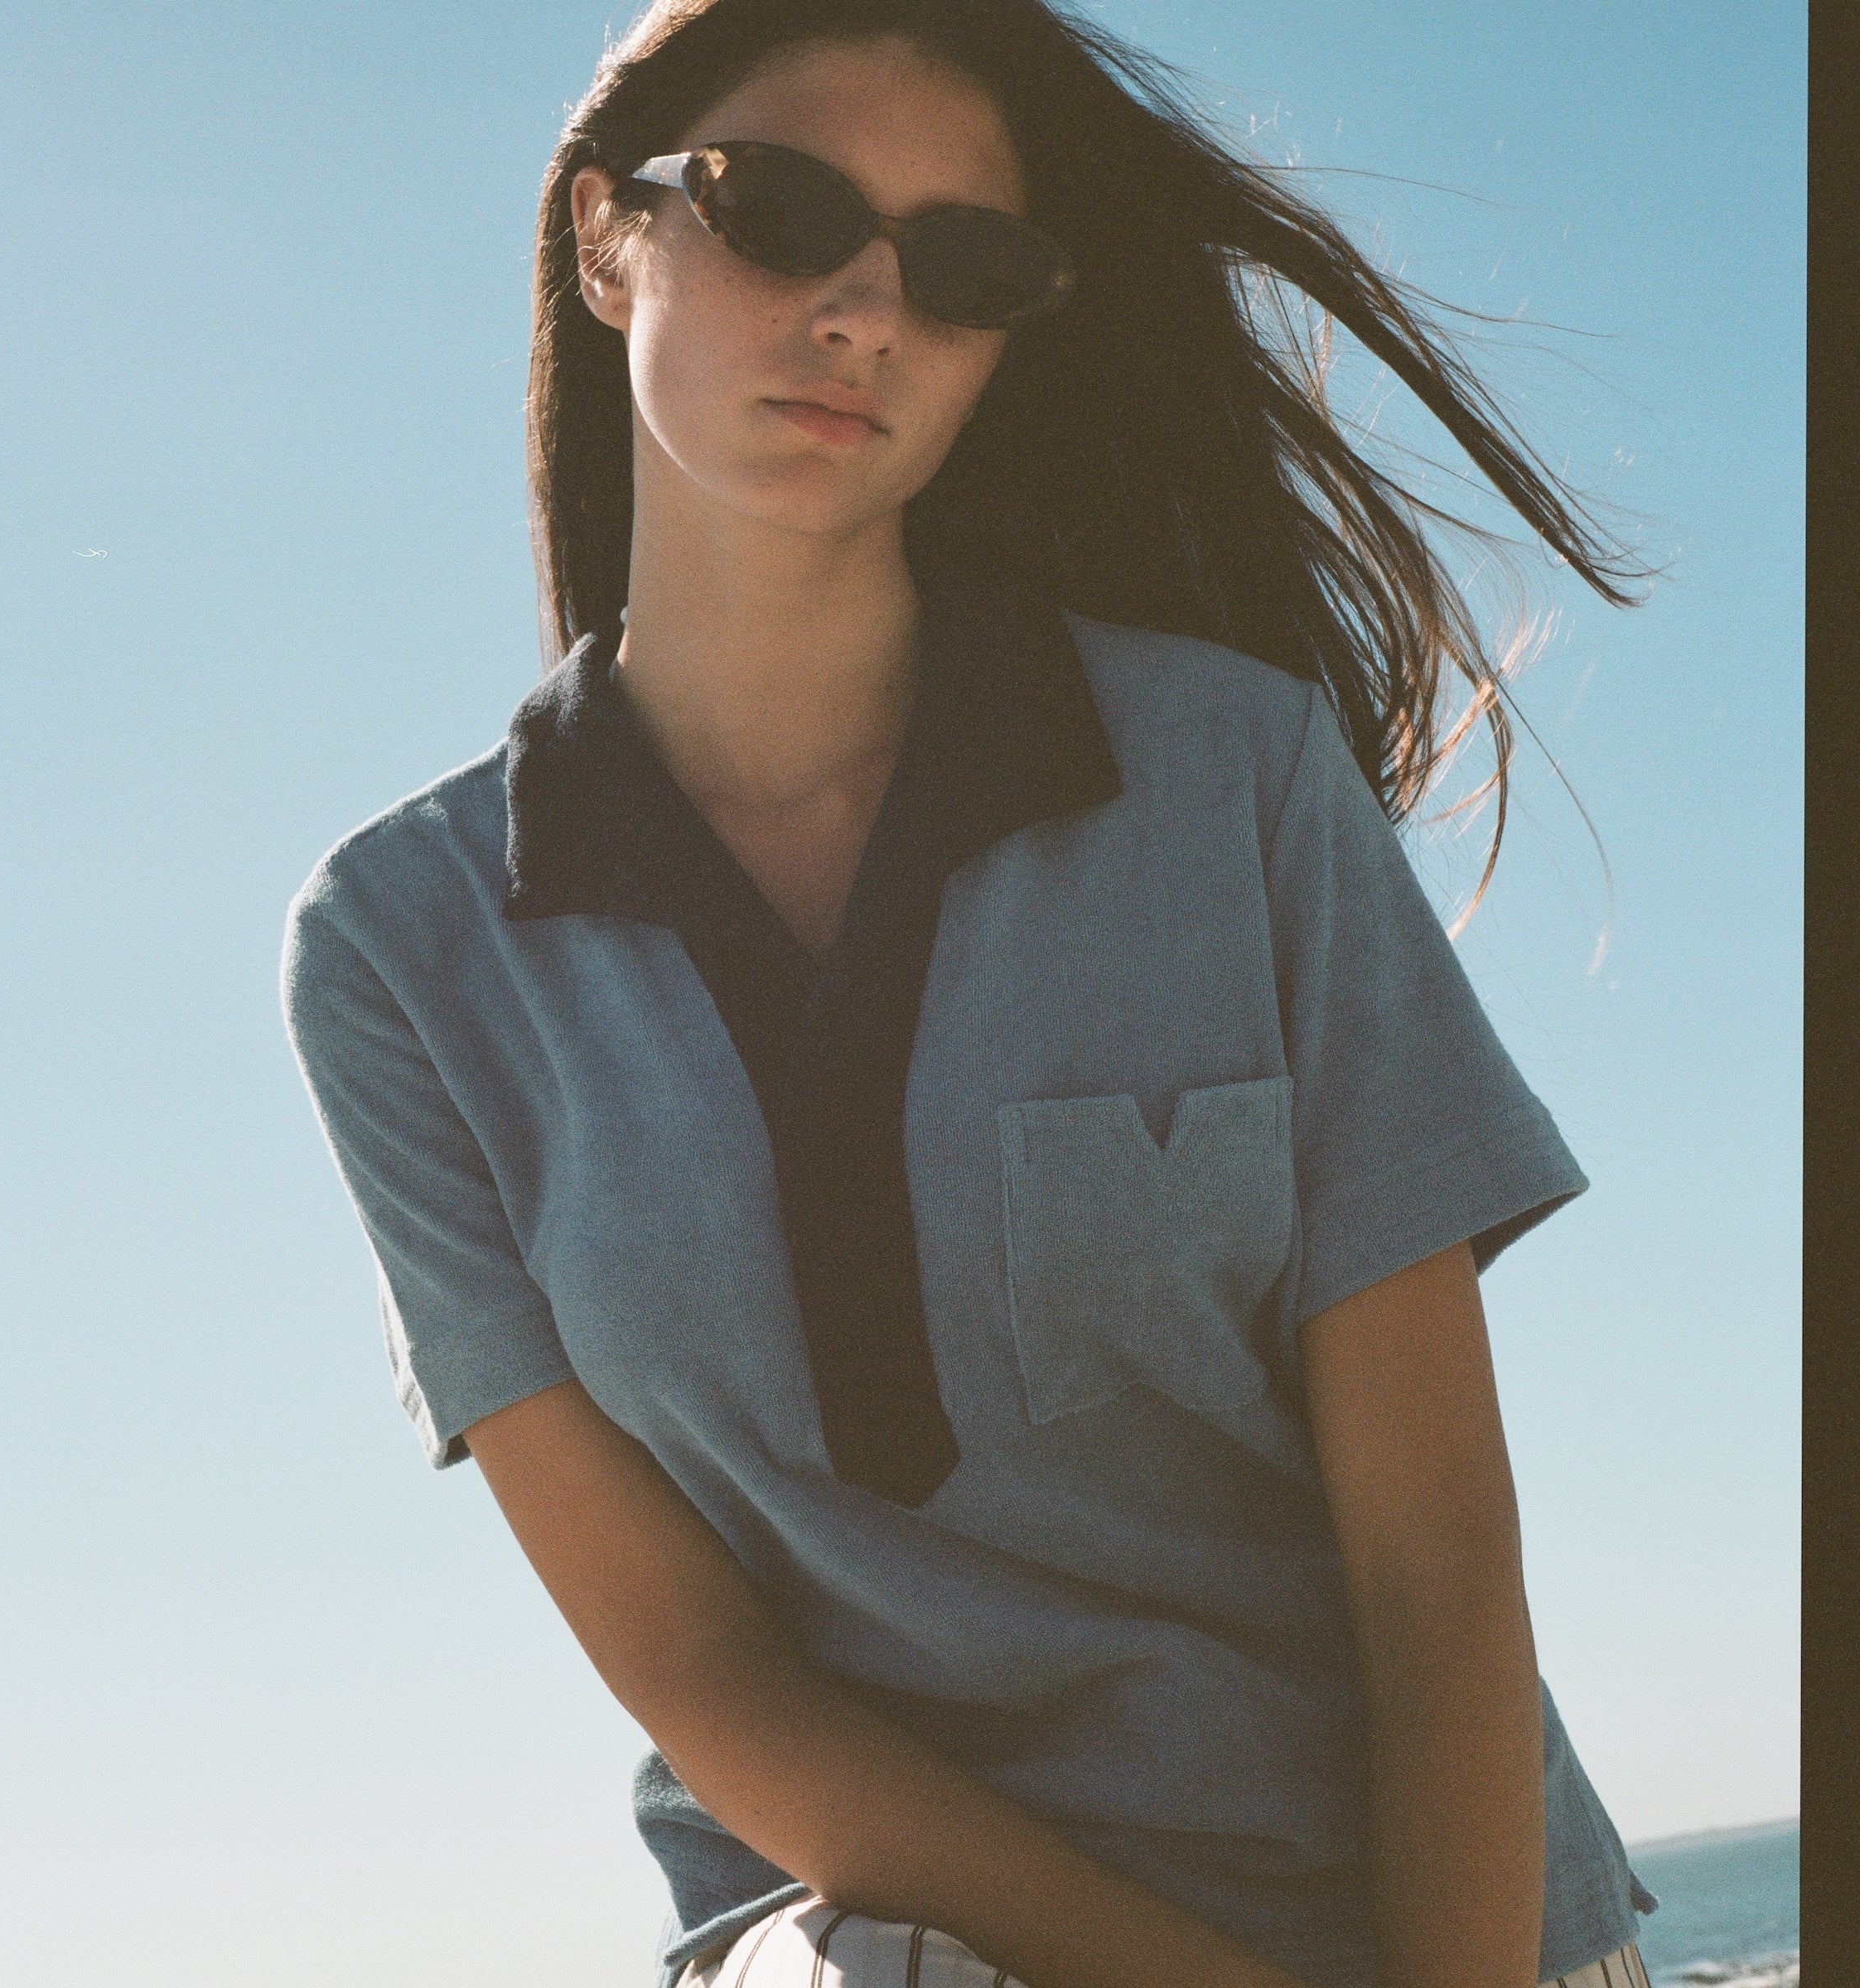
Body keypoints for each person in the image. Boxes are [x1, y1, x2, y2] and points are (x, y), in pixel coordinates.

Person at [280, 3, 1664, 1985]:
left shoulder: (1237, 780)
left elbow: (1439, 1563)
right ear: (607, 240)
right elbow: (696, 1662)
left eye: (962, 265)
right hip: (880, 1937)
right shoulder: (399, 951)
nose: (866, 308)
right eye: (779, 211)